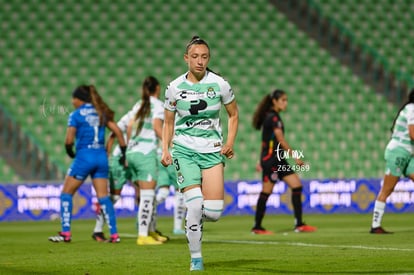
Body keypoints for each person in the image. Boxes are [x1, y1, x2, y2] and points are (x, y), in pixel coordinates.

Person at [161, 36, 239, 271]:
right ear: (186, 58)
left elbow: (234, 115)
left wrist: (229, 142)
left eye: (204, 57)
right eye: (195, 56)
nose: (199, 61)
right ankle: (196, 258)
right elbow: (168, 121)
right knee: (194, 206)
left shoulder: (220, 84)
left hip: (212, 152)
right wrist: (165, 148)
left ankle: (191, 221)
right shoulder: (174, 87)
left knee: (213, 213)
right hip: (184, 151)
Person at [48, 85, 126, 243]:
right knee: (104, 197)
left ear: (78, 99)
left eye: (73, 98)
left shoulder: (76, 115)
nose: (72, 102)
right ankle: (114, 235)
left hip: (84, 157)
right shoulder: (101, 112)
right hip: (101, 158)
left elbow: (69, 141)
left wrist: (71, 152)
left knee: (66, 194)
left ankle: (66, 233)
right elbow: (117, 131)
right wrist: (123, 151)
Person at [251, 89, 316, 235]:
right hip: (272, 162)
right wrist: (296, 157)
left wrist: (259, 160)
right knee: (266, 192)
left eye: (286, 100)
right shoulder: (273, 118)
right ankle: (257, 227)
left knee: (297, 185)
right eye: (283, 100)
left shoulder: (273, 117)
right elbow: (280, 140)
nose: (286, 103)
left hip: (277, 160)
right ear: (275, 101)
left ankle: (299, 224)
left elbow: (266, 141)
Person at [126, 76, 167, 245]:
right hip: (145, 153)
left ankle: (150, 231)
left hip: (132, 152)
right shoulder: (157, 105)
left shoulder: (139, 104)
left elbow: (129, 127)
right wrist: (168, 144)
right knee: (148, 196)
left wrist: (129, 147)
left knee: (145, 195)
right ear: (157, 88)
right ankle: (143, 235)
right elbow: (157, 127)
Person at [370, 88, 414, 234]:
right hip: (398, 152)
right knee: (387, 189)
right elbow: (412, 134)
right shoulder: (412, 108)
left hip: (408, 153)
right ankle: (375, 226)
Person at [91, 110, 134, 242]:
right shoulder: (130, 116)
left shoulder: (154, 115)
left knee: (146, 192)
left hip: (136, 160)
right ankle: (98, 229)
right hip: (120, 162)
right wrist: (107, 154)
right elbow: (112, 135)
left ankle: (149, 229)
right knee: (114, 197)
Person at [154, 146, 186, 235]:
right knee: (179, 193)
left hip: (162, 155)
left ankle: (146, 210)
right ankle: (177, 228)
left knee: (164, 193)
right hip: (171, 156)